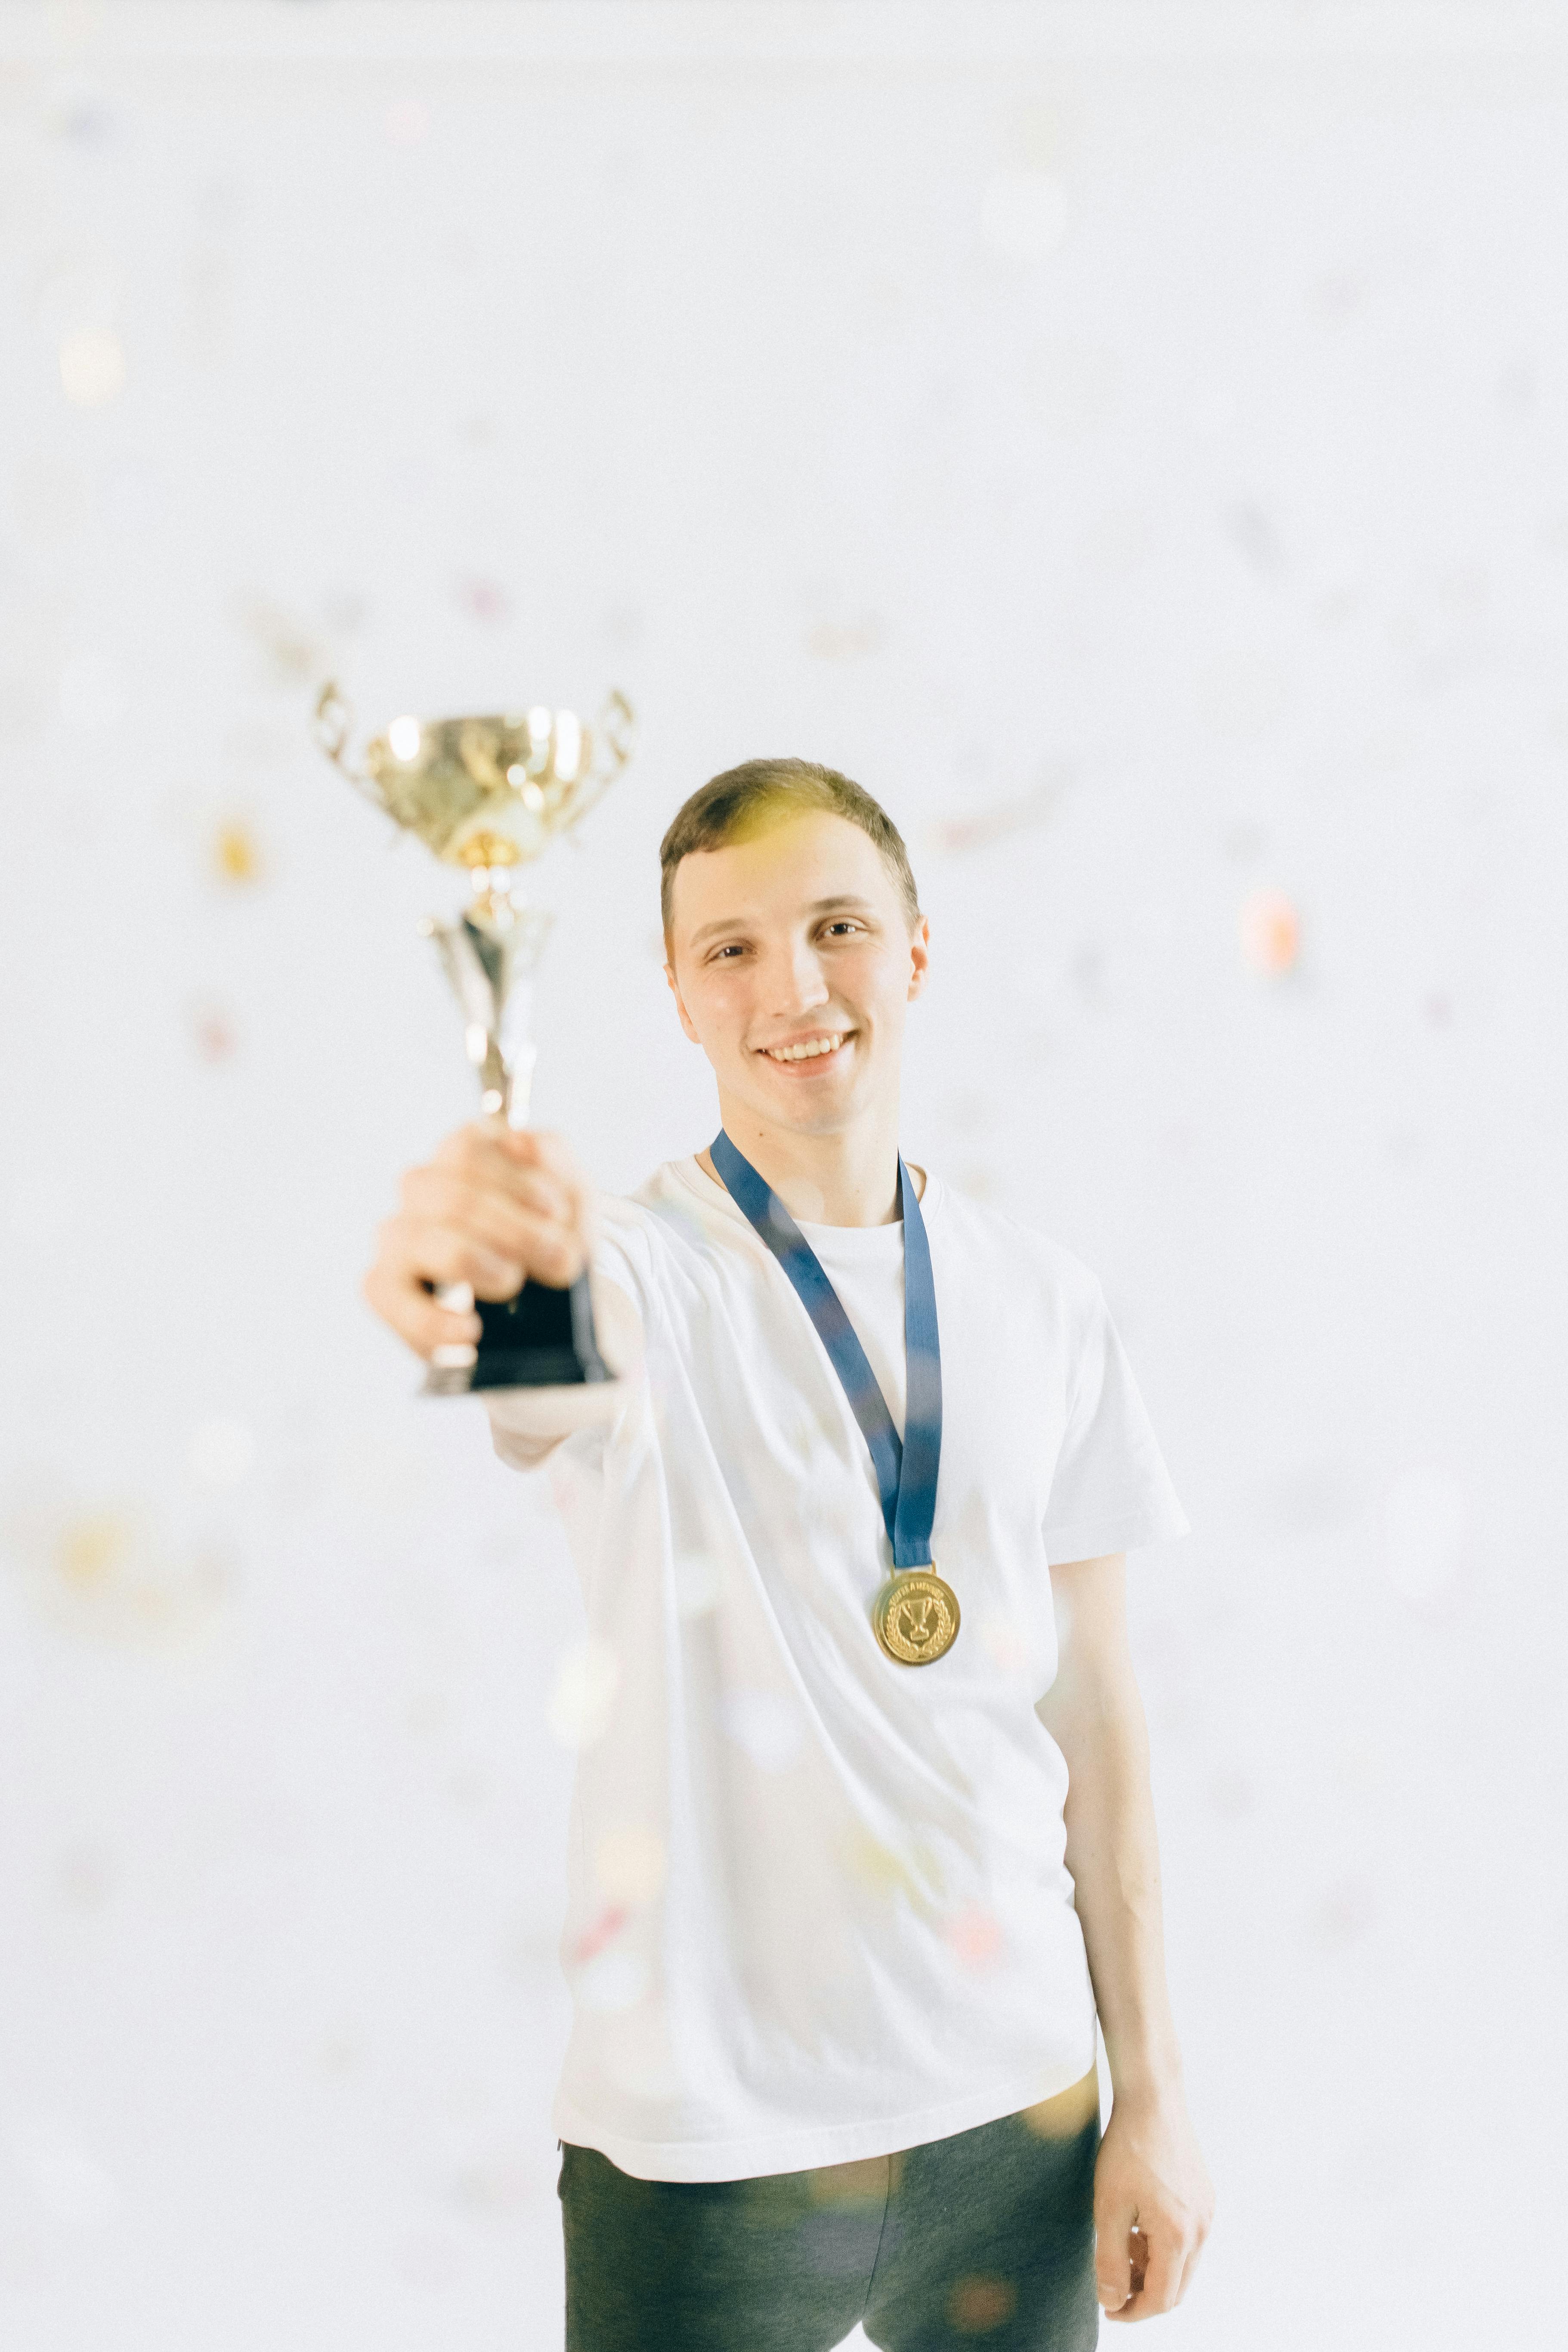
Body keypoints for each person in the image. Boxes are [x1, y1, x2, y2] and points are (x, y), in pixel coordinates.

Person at [364, 758, 1215, 2350]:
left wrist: (1151, 2096)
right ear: (678, 998)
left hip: (1019, 2112)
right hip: (714, 2156)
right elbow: (536, 1342)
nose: (794, 988)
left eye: (836, 927)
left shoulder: (1044, 1300)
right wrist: (463, 1259)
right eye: (731, 950)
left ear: (914, 951)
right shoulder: (644, 1272)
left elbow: (1096, 1722)